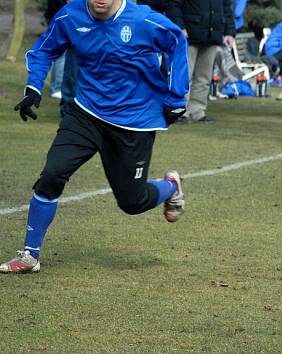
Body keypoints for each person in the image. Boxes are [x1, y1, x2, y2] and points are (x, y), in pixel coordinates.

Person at [0, 0, 189, 273]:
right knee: (52, 174)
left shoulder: (144, 21)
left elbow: (176, 42)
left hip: (134, 122)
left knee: (132, 202)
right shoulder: (71, 16)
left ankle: (171, 186)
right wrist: (34, 86)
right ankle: (30, 255)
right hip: (85, 113)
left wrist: (175, 95)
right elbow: (44, 50)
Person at [166, 0, 235, 124]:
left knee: (204, 78)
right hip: (188, 37)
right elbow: (173, 5)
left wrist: (230, 32)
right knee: (184, 77)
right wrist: (179, 27)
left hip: (211, 36)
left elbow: (226, 8)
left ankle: (197, 111)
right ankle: (180, 112)